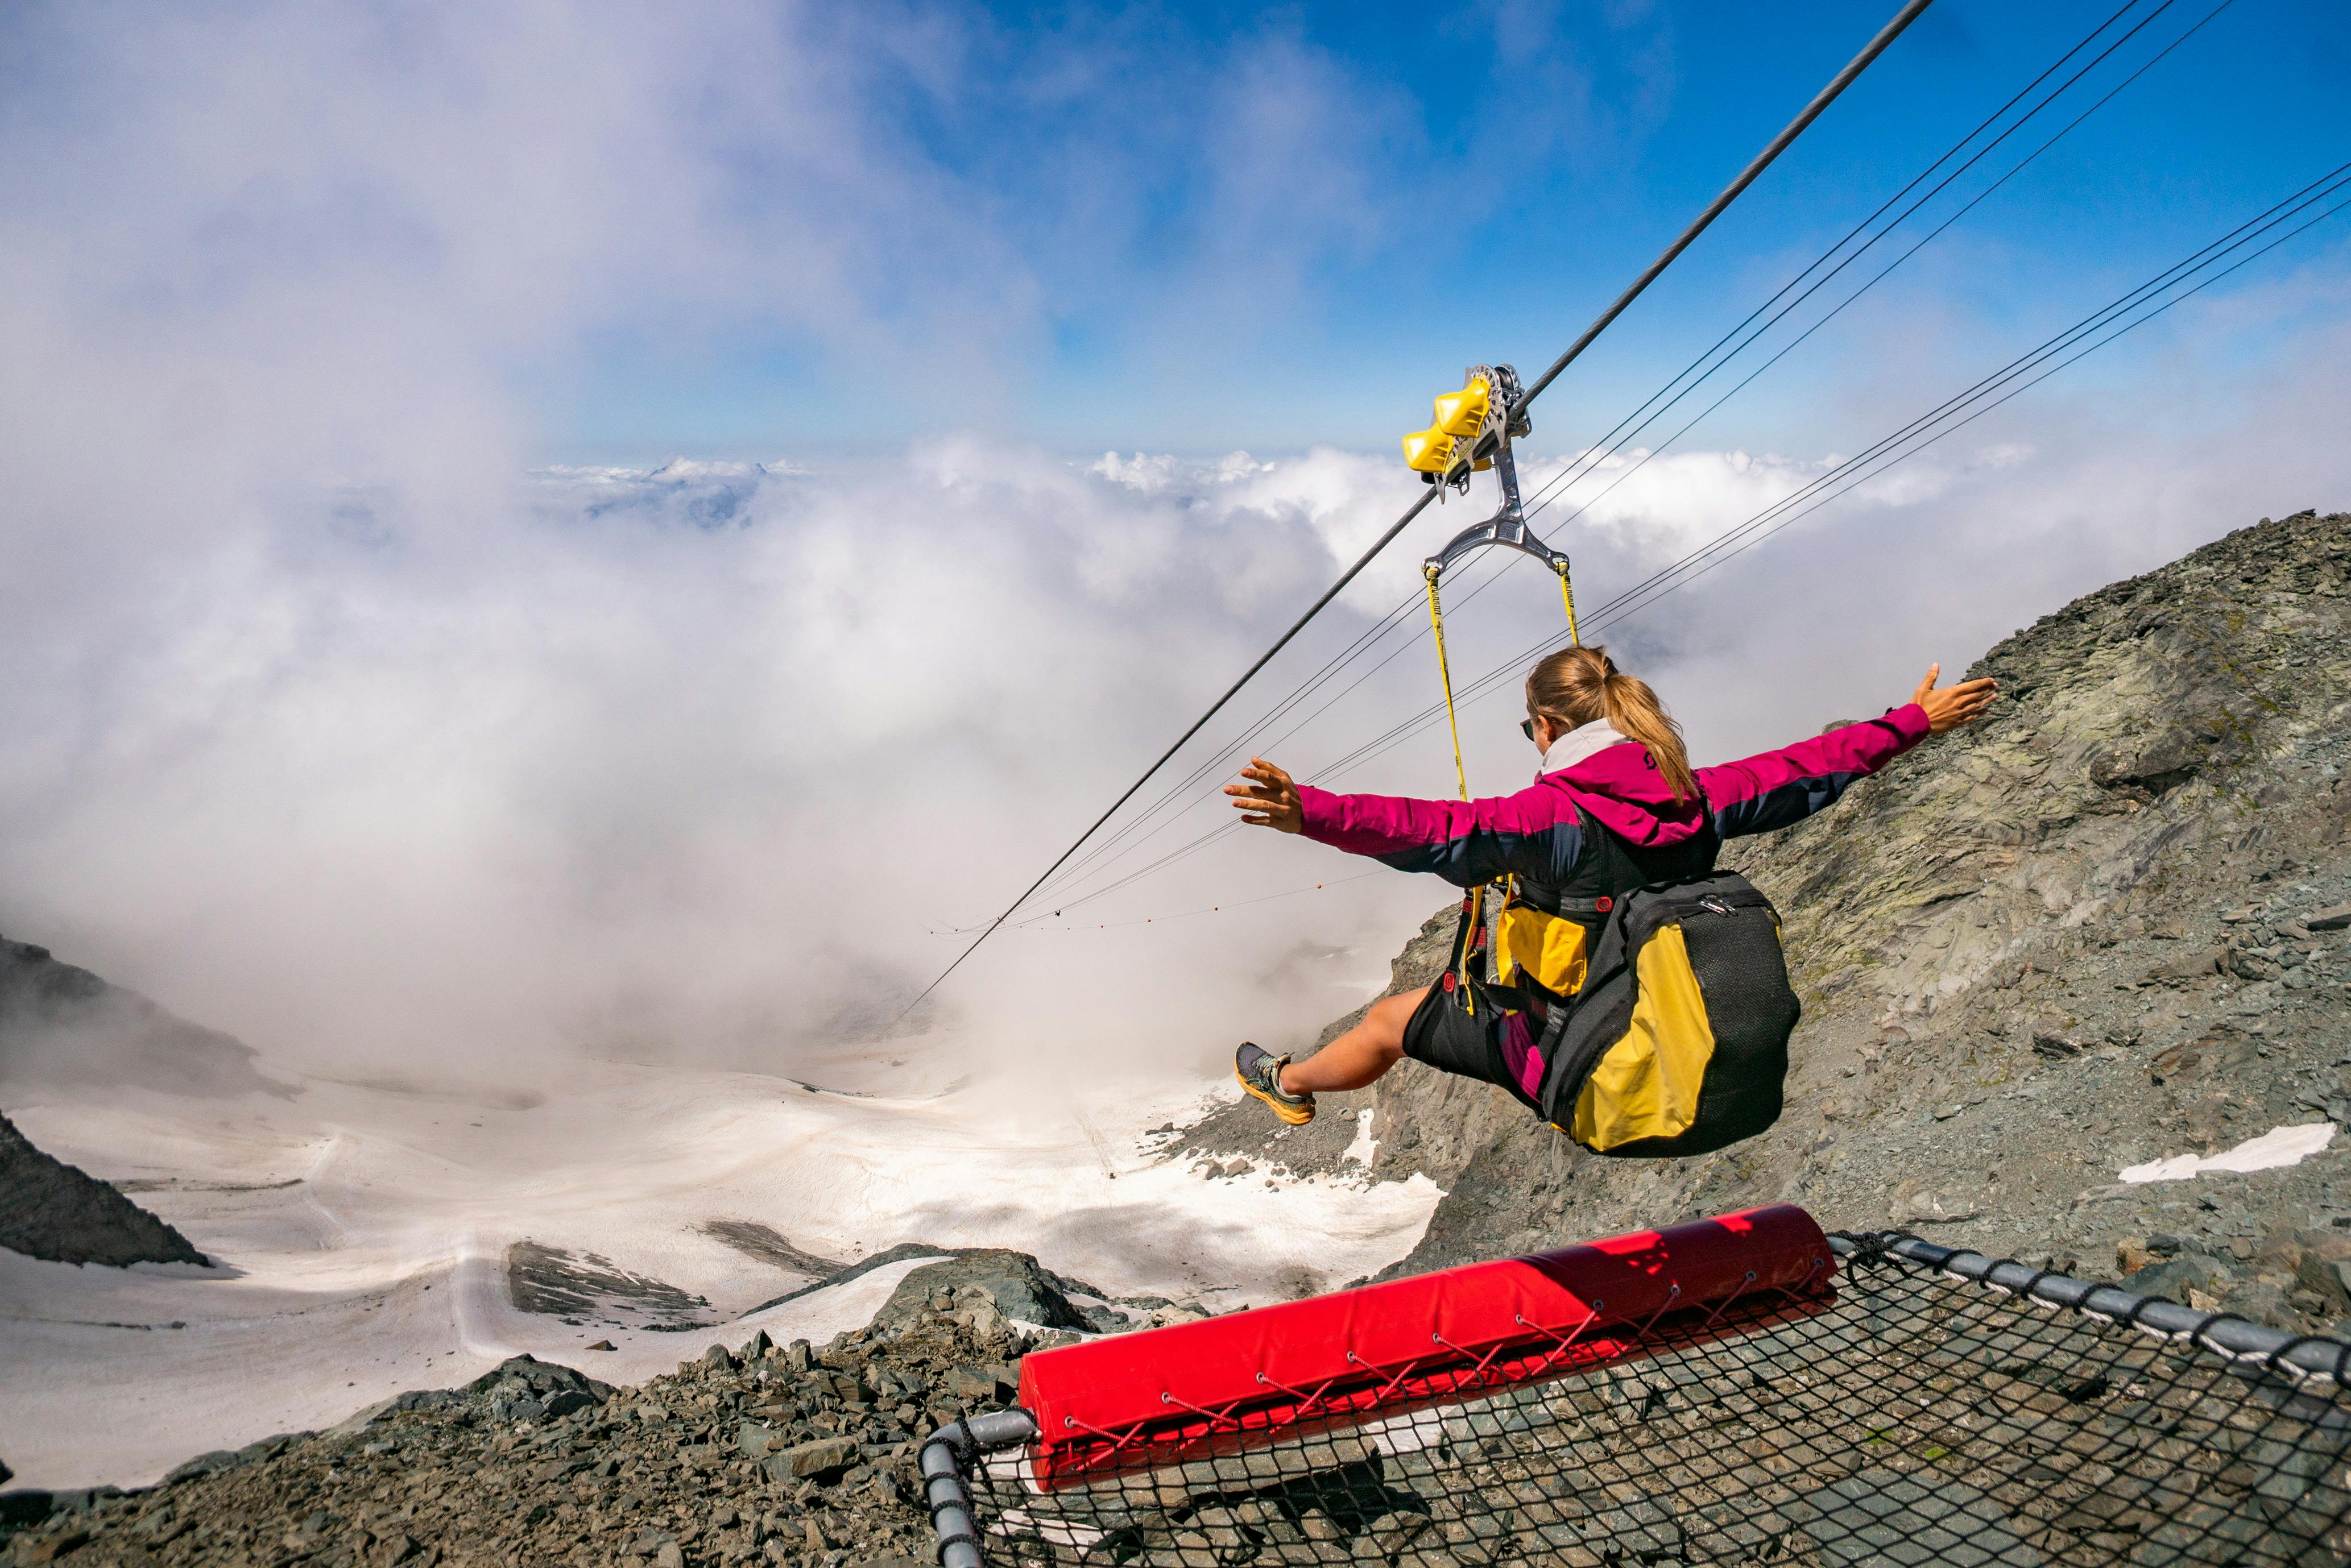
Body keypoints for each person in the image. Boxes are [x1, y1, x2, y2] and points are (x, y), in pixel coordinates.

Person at [1223, 645, 1996, 1126]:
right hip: (1693, 1047)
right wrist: (1911, 721)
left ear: (1547, 728)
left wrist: (1312, 813)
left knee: (1391, 1023)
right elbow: (1809, 766)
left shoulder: (1549, 818)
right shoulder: (1698, 792)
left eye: (1530, 731)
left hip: (1588, 1075)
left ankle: (1285, 1082)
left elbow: (1435, 829)